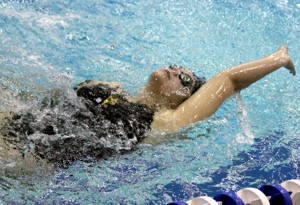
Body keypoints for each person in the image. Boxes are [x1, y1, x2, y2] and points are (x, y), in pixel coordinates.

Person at [0, 45, 296, 168]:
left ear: (184, 99)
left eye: (183, 78)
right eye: (174, 65)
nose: (173, 69)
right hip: (17, 119)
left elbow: (228, 81)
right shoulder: (110, 87)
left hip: (28, 156)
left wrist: (277, 58)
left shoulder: (164, 121)